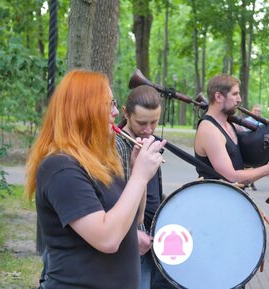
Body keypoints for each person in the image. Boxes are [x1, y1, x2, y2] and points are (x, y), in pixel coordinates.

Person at [25, 70, 166, 289]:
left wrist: (140, 175)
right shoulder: (61, 167)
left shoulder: (99, 161)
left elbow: (135, 219)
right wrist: (139, 176)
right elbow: (107, 239)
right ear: (85, 110)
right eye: (109, 104)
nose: (116, 112)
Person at [115, 85, 175, 289]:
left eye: (154, 122)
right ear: (125, 113)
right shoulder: (116, 146)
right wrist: (133, 233)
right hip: (130, 242)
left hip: (150, 237)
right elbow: (114, 199)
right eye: (142, 123)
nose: (149, 129)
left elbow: (153, 193)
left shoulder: (148, 142)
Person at [194, 74, 269, 185]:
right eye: (235, 94)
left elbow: (243, 150)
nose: (239, 99)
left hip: (230, 197)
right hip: (214, 198)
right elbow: (231, 177)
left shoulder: (228, 125)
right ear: (218, 97)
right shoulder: (209, 130)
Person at [242, 103, 263, 191]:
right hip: (247, 144)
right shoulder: (246, 120)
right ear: (251, 111)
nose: (256, 112)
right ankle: (244, 182)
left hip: (256, 146)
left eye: (258, 111)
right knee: (245, 165)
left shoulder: (261, 122)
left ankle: (252, 183)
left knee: (255, 166)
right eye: (255, 110)